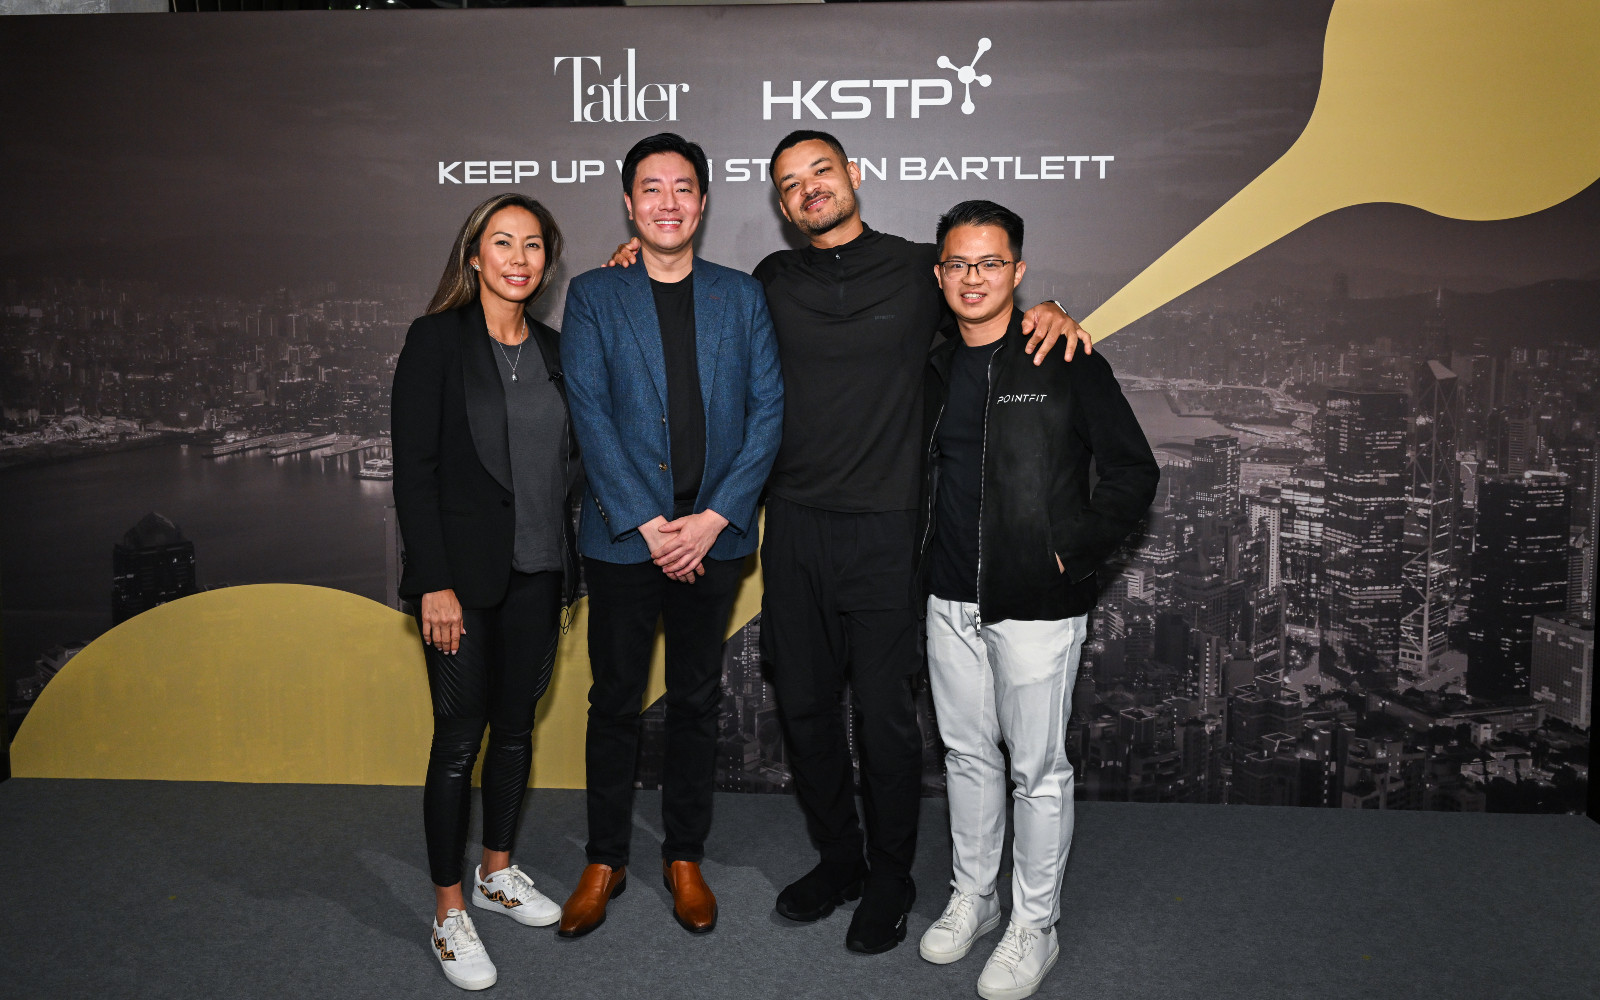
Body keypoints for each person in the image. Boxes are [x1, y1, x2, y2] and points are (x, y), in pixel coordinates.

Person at [915, 200, 1158, 1000]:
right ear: (941, 272)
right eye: (958, 263)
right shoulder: (933, 362)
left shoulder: (1065, 354)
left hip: (1038, 602)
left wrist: (1069, 551)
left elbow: (1133, 473)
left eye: (990, 263)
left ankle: (1036, 924)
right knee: (965, 756)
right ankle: (975, 898)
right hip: (947, 593)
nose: (973, 278)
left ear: (1018, 272)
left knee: (1038, 772)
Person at [557, 133, 783, 939]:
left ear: (703, 200)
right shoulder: (592, 294)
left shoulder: (740, 295)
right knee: (614, 702)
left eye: (682, 188)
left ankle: (684, 855)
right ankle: (604, 858)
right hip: (626, 540)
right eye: (650, 189)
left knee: (695, 702)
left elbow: (768, 414)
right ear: (628, 203)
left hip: (713, 538)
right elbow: (588, 411)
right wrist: (651, 526)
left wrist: (715, 517)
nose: (667, 203)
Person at [391, 192, 580, 991]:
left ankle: (496, 875)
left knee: (514, 732)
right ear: (474, 255)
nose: (517, 259)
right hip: (461, 585)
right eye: (501, 243)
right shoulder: (436, 341)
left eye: (532, 246)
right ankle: (447, 913)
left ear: (547, 260)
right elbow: (415, 471)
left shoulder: (557, 348)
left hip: (541, 572)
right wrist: (432, 581)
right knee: (457, 742)